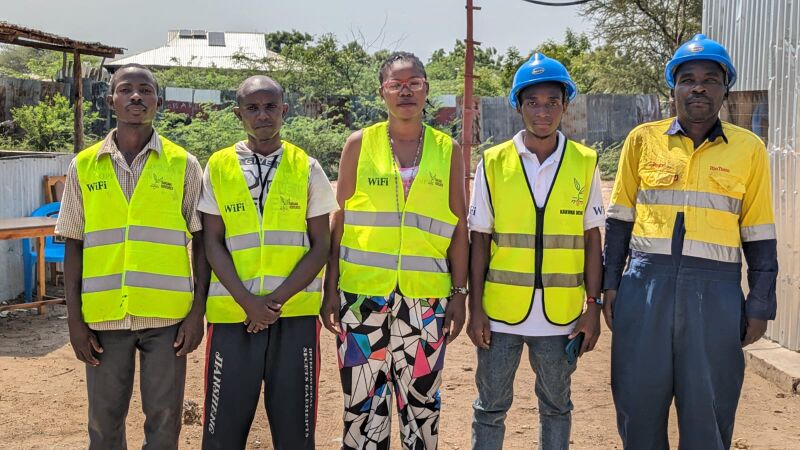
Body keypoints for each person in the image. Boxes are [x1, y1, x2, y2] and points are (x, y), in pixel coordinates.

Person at [603, 34, 778, 450]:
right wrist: (610, 285)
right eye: (688, 79)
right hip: (645, 289)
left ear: (725, 89)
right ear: (673, 88)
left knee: (708, 412)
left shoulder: (749, 149)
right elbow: (619, 221)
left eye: (710, 79)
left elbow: (759, 233)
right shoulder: (642, 140)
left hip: (715, 296)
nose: (698, 88)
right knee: (638, 405)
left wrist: (760, 303)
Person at [320, 51, 469, 450]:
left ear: (426, 89)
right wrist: (330, 289)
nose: (406, 92)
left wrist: (459, 294)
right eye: (396, 84)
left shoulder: (447, 149)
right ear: (381, 92)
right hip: (361, 299)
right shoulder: (359, 144)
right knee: (363, 406)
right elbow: (340, 220)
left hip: (426, 301)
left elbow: (458, 226)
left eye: (414, 83)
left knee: (422, 406)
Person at [57, 63, 208, 449]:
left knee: (165, 420)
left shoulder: (184, 164)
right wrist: (74, 320)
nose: (136, 96)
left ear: (159, 101)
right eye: (126, 89)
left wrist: (197, 313)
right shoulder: (84, 165)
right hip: (104, 317)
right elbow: (73, 243)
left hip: (168, 317)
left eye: (145, 89)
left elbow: (202, 241)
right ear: (111, 100)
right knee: (104, 423)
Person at [467, 53, 604, 450]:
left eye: (552, 102)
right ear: (518, 106)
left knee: (557, 407)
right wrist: (477, 309)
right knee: (490, 408)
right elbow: (480, 240)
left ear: (565, 105)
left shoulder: (585, 162)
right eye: (533, 102)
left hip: (561, 318)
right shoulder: (493, 163)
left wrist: (592, 307)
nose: (543, 111)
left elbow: (593, 240)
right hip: (500, 316)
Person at [198, 75, 337, 450]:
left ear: (284, 110)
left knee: (296, 433)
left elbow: (321, 245)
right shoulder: (219, 166)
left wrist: (270, 305)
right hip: (233, 315)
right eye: (253, 108)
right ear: (238, 113)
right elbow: (212, 242)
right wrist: (248, 303)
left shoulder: (306, 167)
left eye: (271, 106)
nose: (263, 115)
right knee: (222, 433)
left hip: (294, 315)